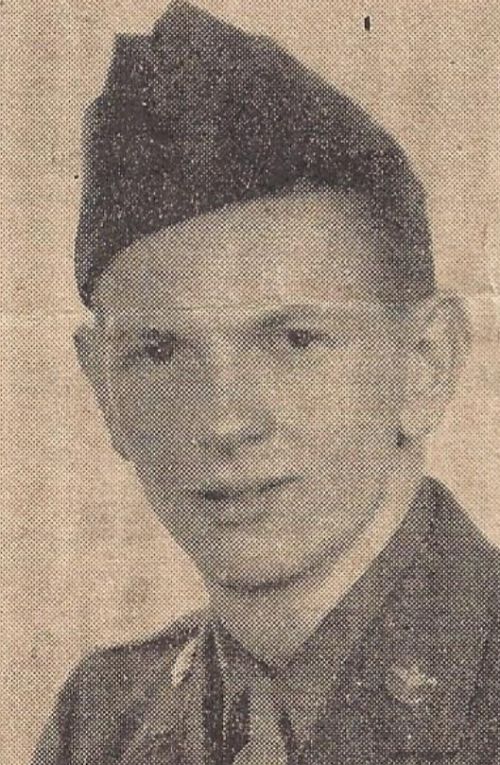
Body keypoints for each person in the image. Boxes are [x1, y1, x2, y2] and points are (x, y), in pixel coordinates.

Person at [33, 2, 500, 764]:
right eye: (159, 350)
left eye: (294, 339)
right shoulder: (101, 723)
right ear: (102, 389)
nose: (225, 421)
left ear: (426, 361)